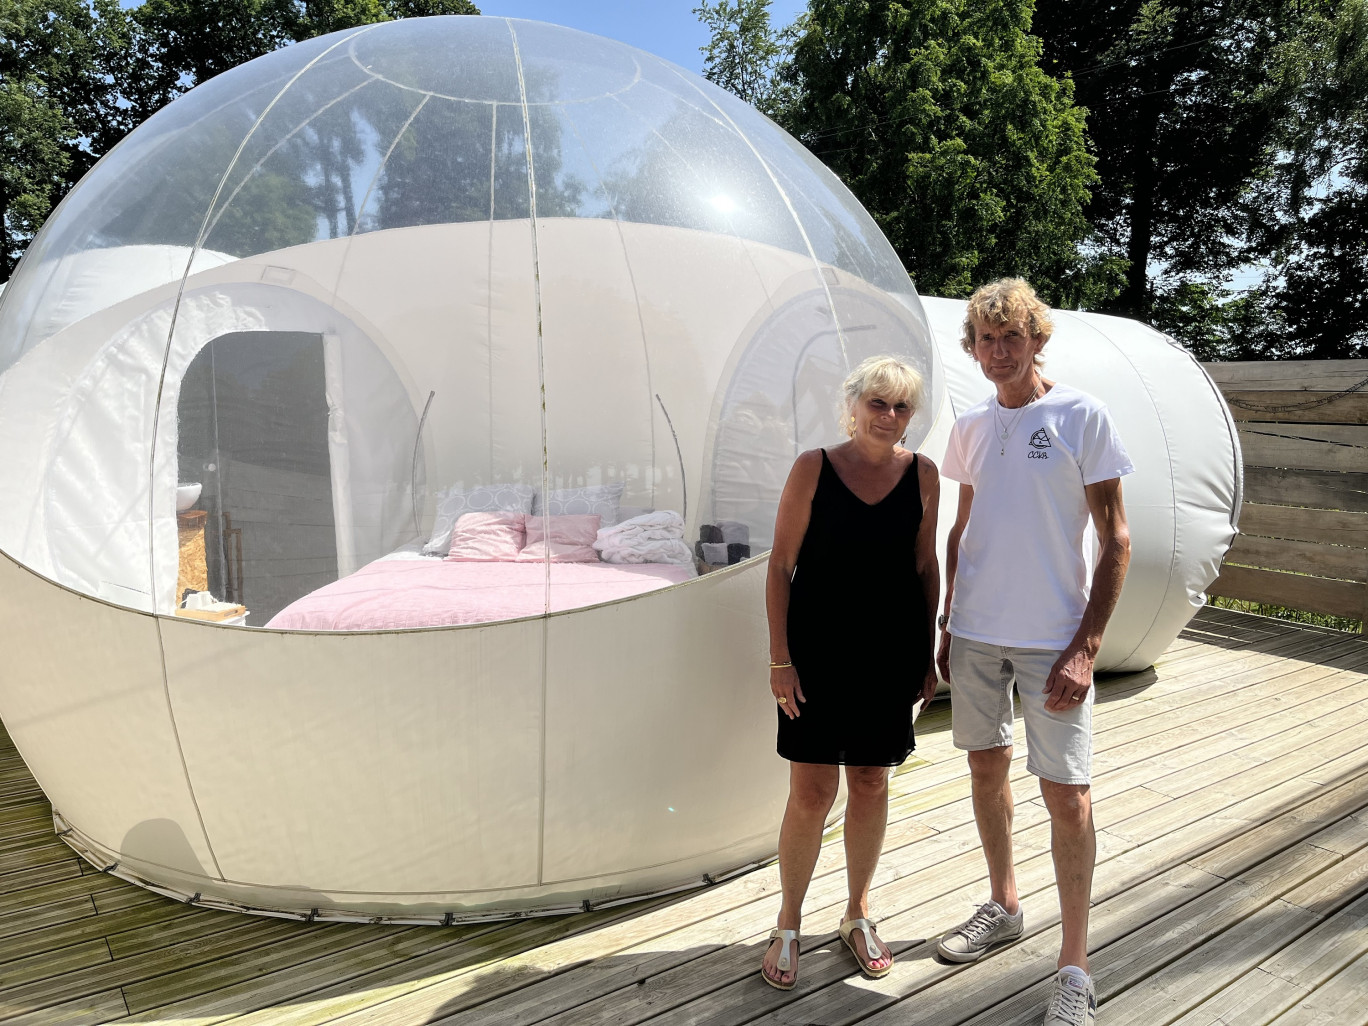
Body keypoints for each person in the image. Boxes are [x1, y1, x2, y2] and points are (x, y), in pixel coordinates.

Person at [934, 278, 1132, 1025]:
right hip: (978, 632)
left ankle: (1074, 968)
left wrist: (1085, 647)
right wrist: (951, 620)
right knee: (986, 766)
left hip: (1053, 639)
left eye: (1010, 337)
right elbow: (963, 531)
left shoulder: (1083, 416)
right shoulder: (972, 426)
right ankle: (1004, 903)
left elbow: (1116, 539)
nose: (997, 351)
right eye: (985, 340)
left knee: (1066, 793)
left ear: (1036, 339)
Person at [760, 355, 940, 990]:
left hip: (889, 653)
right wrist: (780, 659)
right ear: (854, 405)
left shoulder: (924, 475)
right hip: (817, 654)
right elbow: (780, 566)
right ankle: (788, 920)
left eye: (901, 408)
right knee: (811, 793)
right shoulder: (814, 467)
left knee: (870, 783)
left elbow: (925, 568)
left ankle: (858, 912)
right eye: (878, 404)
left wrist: (927, 654)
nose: (888, 417)